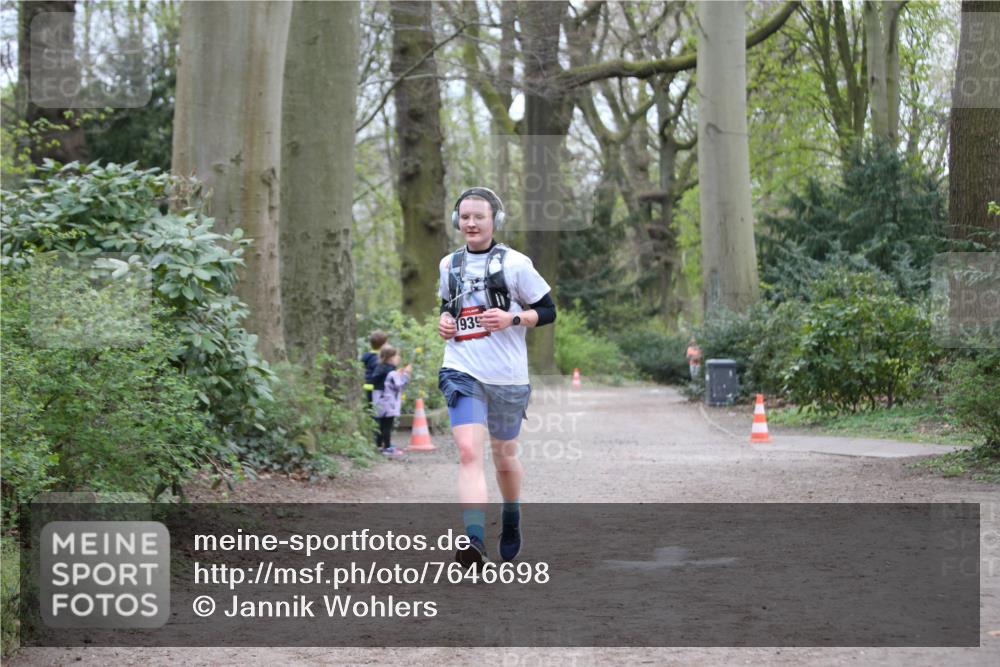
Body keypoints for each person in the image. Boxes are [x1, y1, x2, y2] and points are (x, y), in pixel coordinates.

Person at [437, 186, 557, 568]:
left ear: (495, 221)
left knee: (504, 457)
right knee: (469, 452)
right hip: (461, 369)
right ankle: (474, 541)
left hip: (506, 376)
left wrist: (512, 318)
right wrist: (445, 321)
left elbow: (548, 310)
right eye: (465, 217)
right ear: (457, 220)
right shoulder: (449, 265)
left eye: (479, 217)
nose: (471, 223)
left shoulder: (516, 264)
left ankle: (511, 514)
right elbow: (447, 307)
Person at [370, 344, 411, 458]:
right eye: (397, 356)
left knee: (380, 425)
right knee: (387, 426)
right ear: (391, 358)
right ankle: (387, 447)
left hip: (378, 402)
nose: (399, 358)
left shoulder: (379, 368)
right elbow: (399, 385)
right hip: (389, 403)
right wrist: (406, 374)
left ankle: (379, 445)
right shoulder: (391, 372)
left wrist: (399, 373)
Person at [361, 330, 388, 448]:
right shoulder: (379, 359)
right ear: (384, 344)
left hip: (368, 387)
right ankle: (378, 440)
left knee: (372, 412)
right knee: (378, 414)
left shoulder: (366, 356)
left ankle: (375, 438)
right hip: (377, 389)